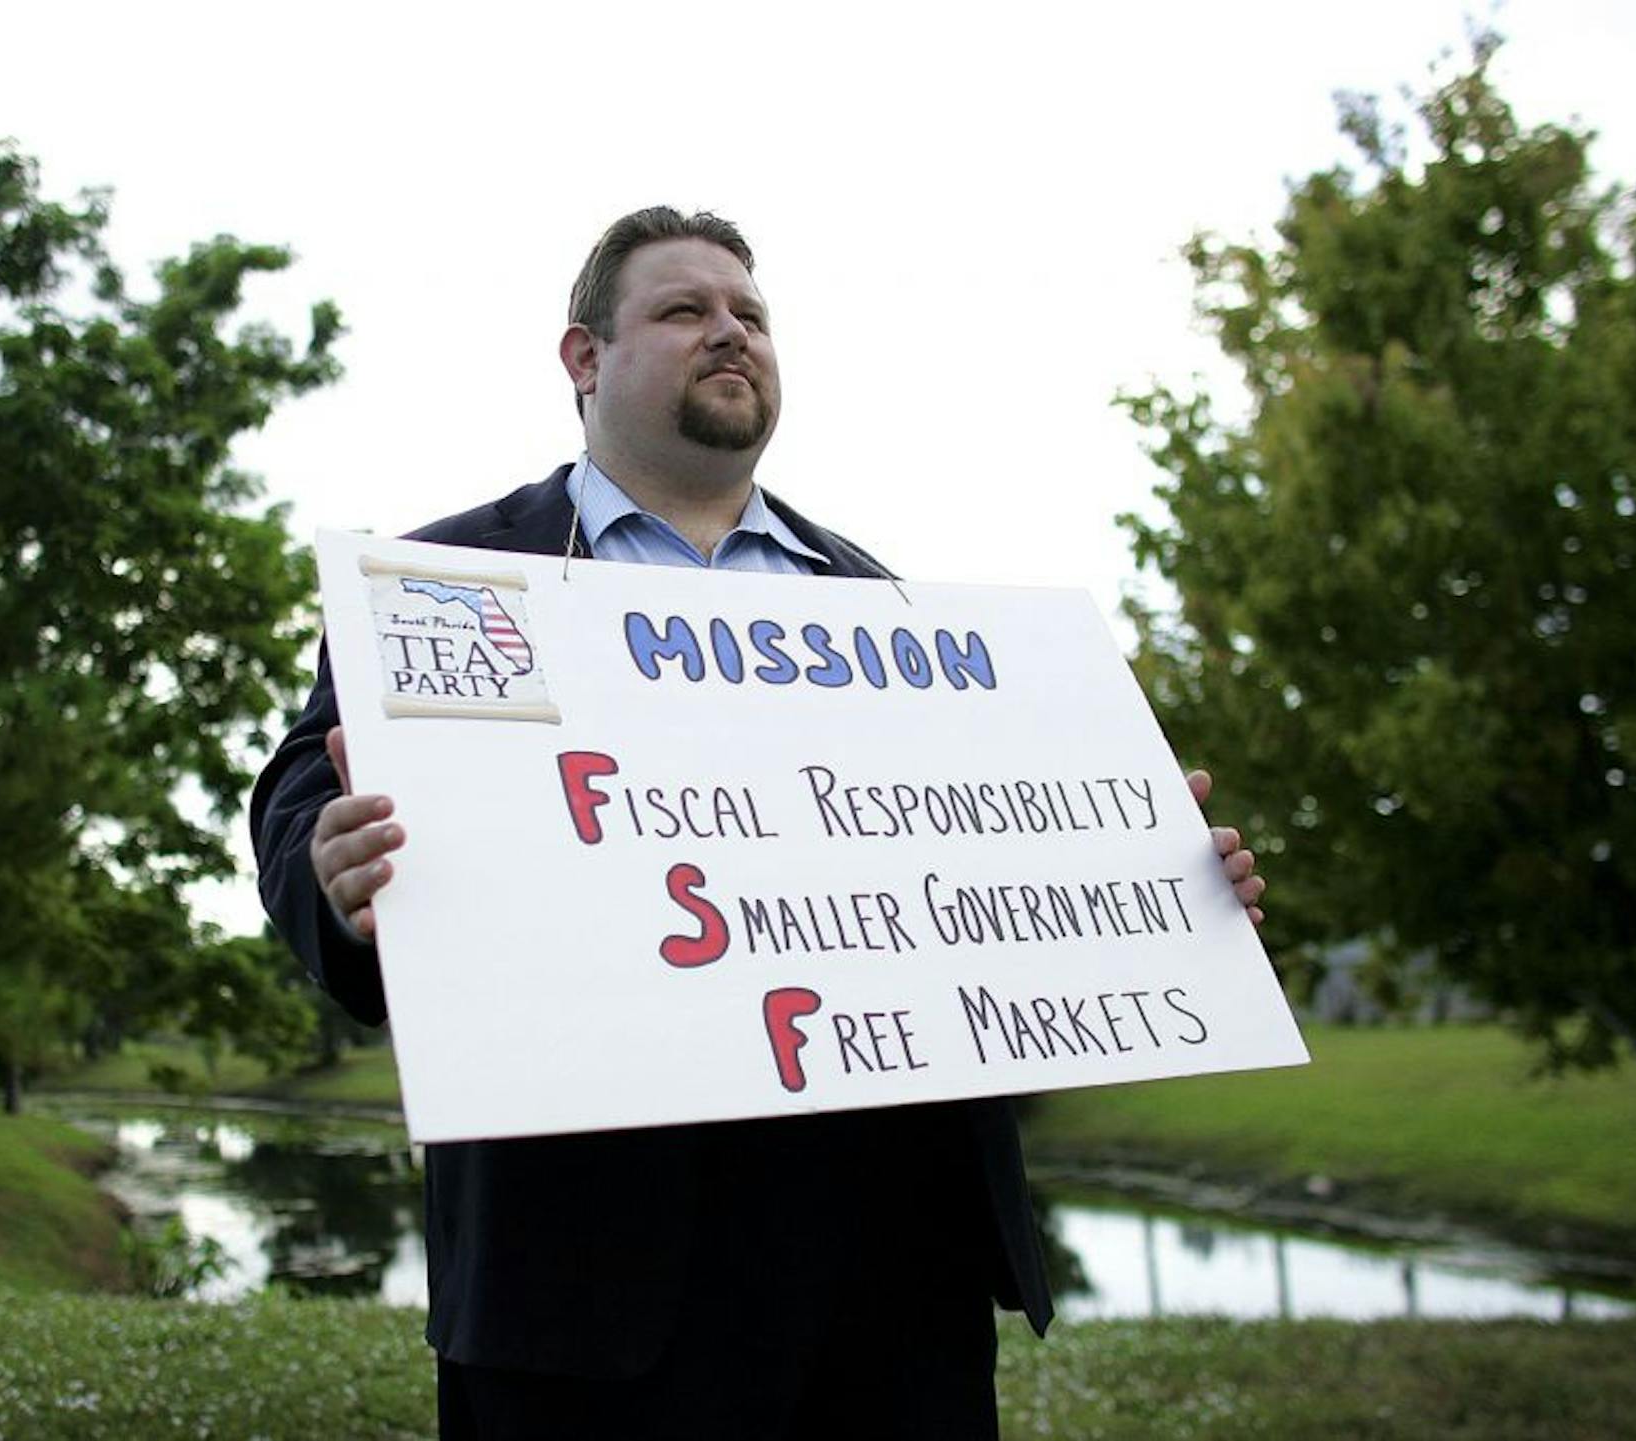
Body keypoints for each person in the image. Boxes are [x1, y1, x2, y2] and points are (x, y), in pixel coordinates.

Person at [251, 207, 1268, 1439]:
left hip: (895, 1282)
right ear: (584, 359)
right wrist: (329, 870)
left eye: (751, 315)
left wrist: (1157, 886)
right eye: (684, 311)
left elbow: (989, 866)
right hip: (583, 1289)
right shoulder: (444, 581)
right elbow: (302, 798)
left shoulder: (889, 608)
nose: (730, 332)